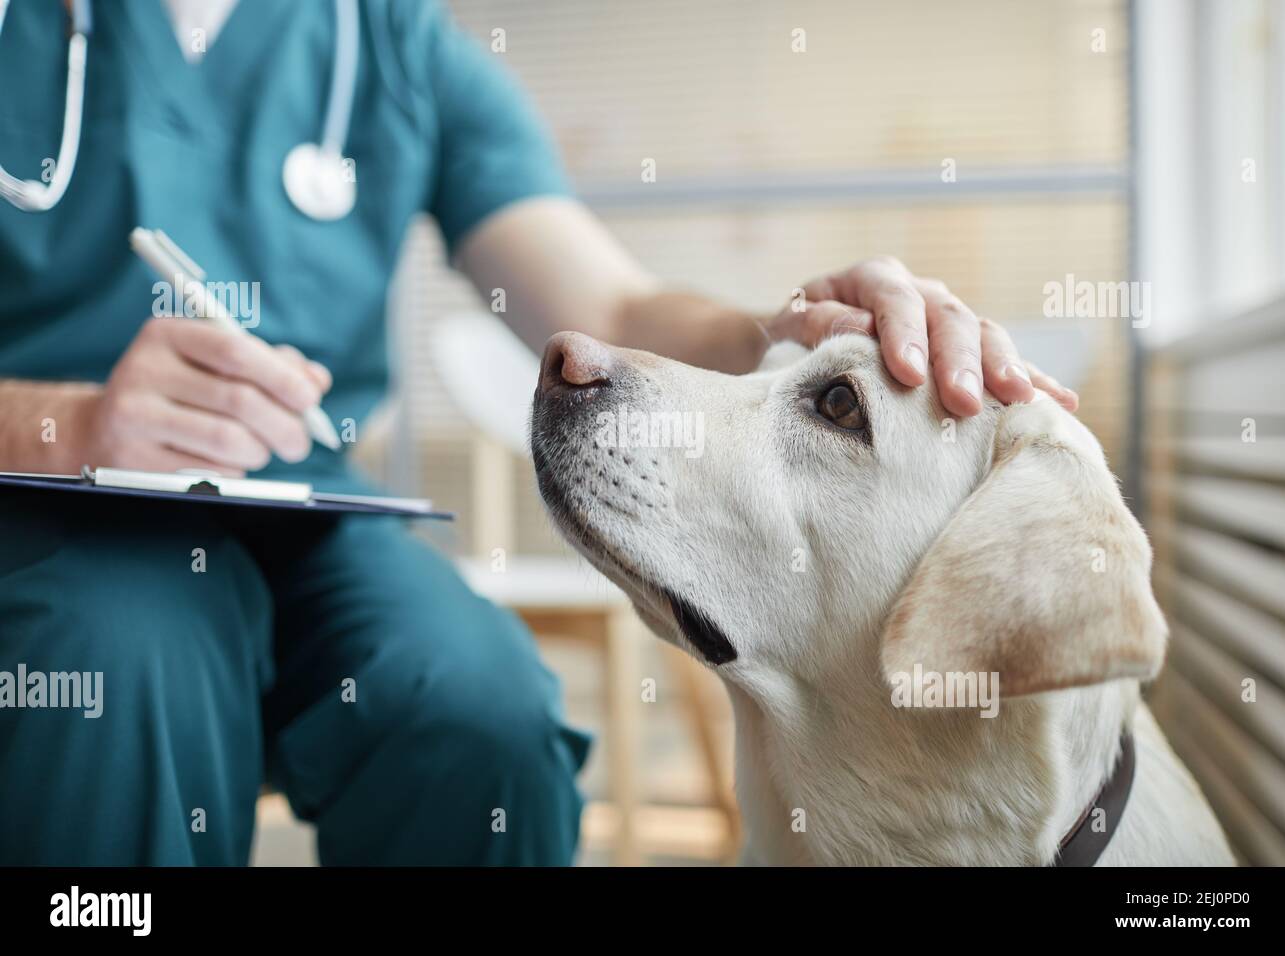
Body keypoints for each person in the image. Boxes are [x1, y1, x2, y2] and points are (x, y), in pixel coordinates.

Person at [0, 0, 1077, 865]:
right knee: (118, 664)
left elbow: (608, 310)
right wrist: (68, 422)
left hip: (309, 504)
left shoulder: (391, 42)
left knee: (481, 708)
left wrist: (778, 327)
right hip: (43, 508)